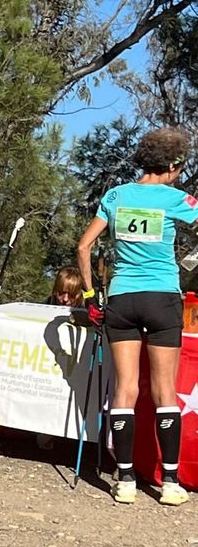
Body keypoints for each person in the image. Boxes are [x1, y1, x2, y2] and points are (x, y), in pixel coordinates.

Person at [74, 126, 197, 506]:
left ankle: (124, 478)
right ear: (174, 164)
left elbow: (83, 245)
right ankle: (171, 482)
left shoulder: (116, 195)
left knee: (124, 389)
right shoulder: (179, 199)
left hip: (123, 298)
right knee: (164, 392)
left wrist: (92, 295)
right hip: (162, 297)